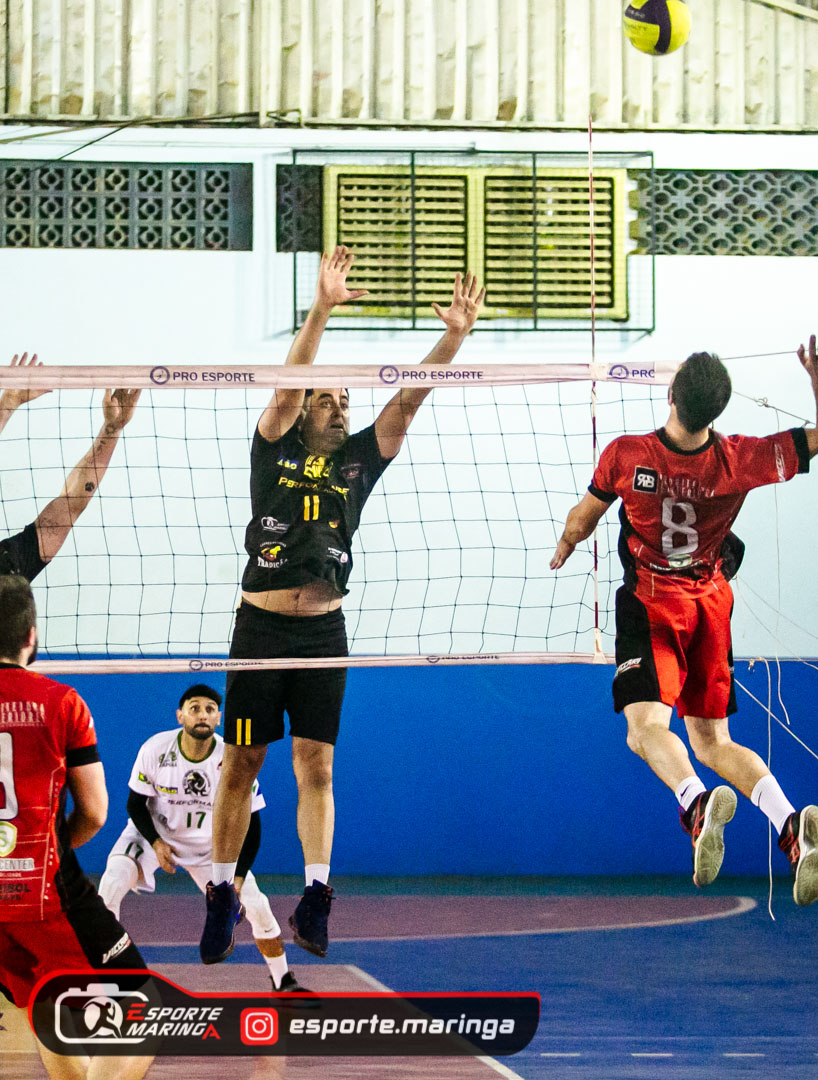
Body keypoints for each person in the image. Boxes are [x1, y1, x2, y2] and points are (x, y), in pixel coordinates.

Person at [201, 246, 486, 963]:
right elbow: (287, 388)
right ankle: (220, 892)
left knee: (318, 767)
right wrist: (321, 308)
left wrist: (453, 338)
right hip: (261, 630)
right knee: (242, 762)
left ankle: (316, 896)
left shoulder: (359, 461)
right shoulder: (274, 447)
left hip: (323, 633)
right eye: (325, 399)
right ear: (303, 412)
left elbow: (410, 399)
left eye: (344, 401)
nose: (338, 407)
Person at [550, 336, 818, 906]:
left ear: (671, 394)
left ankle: (694, 803)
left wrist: (565, 542)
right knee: (712, 741)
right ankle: (790, 827)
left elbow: (583, 519)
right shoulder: (741, 459)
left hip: (652, 603)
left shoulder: (626, 455)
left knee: (644, 729)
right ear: (718, 410)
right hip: (710, 605)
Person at [0, 574, 151, 1080]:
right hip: (43, 890)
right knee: (145, 1009)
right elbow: (95, 812)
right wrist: (53, 847)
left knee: (47, 1007)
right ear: (31, 636)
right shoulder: (62, 702)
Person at [98, 684, 313, 996]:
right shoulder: (155, 749)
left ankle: (283, 981)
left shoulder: (233, 757)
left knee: (258, 907)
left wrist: (238, 878)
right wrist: (156, 842)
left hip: (212, 849)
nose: (202, 714)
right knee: (111, 884)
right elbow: (135, 804)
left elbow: (252, 825)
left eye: (210, 709)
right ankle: (108, 981)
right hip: (153, 836)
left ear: (219, 718)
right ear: (180, 715)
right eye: (195, 708)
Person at [0, 352, 141, 581]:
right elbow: (71, 502)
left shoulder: (10, 563)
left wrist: (112, 429)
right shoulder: (11, 564)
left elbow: (71, 503)